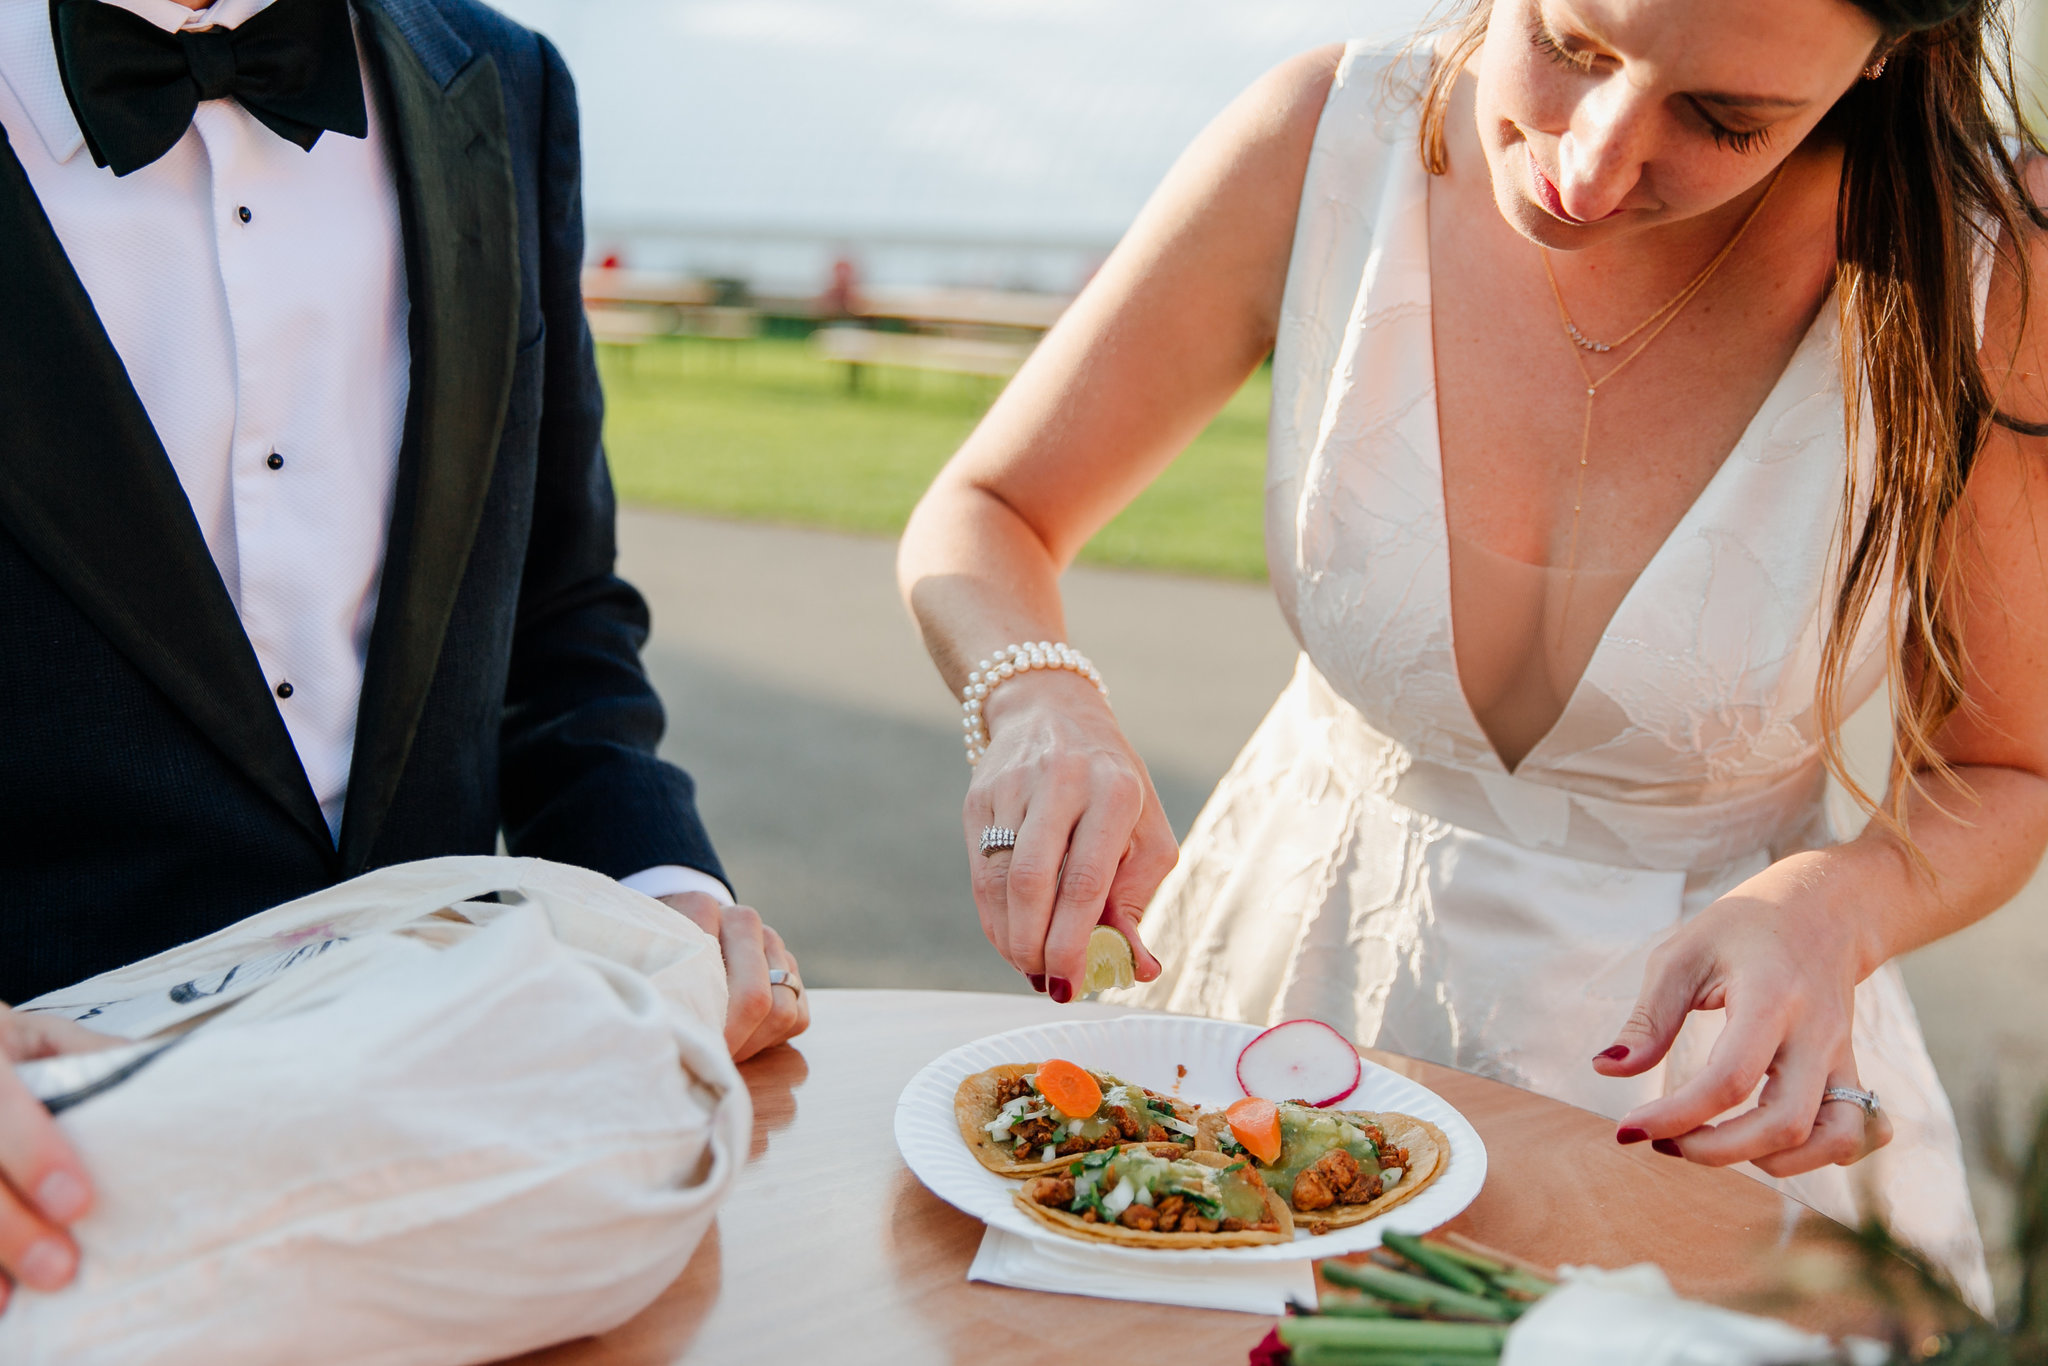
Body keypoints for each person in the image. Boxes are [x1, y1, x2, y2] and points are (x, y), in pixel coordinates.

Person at [898, 0, 2048, 1301]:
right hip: (1281, 1018)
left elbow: (2007, 768)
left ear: (1887, 48)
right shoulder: (1323, 141)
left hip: (1705, 1121)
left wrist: (1840, 905)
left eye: (1725, 121)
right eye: (1571, 44)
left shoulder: (1985, 277)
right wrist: (1039, 698)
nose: (1590, 162)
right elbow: (988, 511)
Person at [0, 0, 805, 1311]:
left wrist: (664, 888)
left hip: (464, 1167)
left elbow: (555, 619)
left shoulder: (510, 82)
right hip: (57, 1212)